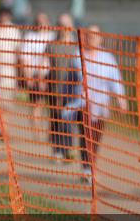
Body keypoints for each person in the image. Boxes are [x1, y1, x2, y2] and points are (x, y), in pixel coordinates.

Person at [80, 25, 128, 181]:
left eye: (95, 35)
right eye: (89, 35)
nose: (92, 38)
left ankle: (91, 164)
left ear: (100, 37)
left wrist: (121, 99)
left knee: (96, 136)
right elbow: (72, 79)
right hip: (83, 104)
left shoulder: (107, 58)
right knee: (86, 135)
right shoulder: (79, 55)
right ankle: (87, 168)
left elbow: (115, 80)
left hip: (102, 106)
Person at [46, 13, 83, 163]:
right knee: (55, 119)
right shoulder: (52, 45)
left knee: (68, 120)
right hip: (55, 88)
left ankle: (67, 149)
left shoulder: (77, 46)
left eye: (66, 25)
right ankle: (57, 150)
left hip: (72, 90)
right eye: (61, 25)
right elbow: (45, 64)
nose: (63, 29)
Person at [19, 12, 55, 118]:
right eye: (39, 21)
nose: (41, 23)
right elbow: (24, 58)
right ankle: (37, 134)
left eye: (44, 21)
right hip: (35, 76)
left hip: (52, 76)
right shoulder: (30, 36)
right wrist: (29, 77)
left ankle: (51, 133)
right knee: (37, 105)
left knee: (53, 107)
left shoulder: (53, 37)